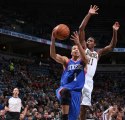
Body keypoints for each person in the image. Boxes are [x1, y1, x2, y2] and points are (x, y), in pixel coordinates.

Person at [78, 5, 120, 120]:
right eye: (87, 40)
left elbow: (112, 46)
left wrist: (114, 32)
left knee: (84, 108)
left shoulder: (98, 53)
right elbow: (81, 29)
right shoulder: (83, 48)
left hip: (89, 81)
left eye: (90, 41)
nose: (88, 41)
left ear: (94, 44)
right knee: (75, 103)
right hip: (81, 76)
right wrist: (89, 14)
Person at [50, 29, 88, 120]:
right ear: (71, 52)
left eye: (78, 49)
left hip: (76, 93)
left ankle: (64, 116)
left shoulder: (83, 62)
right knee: (65, 91)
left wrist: (78, 43)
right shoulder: (66, 61)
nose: (76, 49)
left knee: (73, 117)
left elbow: (86, 59)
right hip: (64, 89)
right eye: (74, 48)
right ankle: (64, 116)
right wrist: (53, 38)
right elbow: (53, 55)